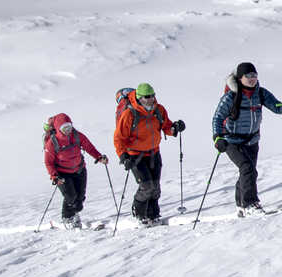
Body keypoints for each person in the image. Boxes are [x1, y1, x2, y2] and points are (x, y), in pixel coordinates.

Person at [211, 61, 282, 215]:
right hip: (231, 141)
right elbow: (217, 118)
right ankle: (250, 204)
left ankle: (240, 204)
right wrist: (217, 138)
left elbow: (276, 107)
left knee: (248, 171)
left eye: (254, 75)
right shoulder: (231, 97)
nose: (252, 79)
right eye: (248, 76)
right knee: (247, 168)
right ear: (240, 78)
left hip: (252, 141)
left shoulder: (260, 93)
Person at [113, 82, 185, 225]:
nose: (151, 98)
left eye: (152, 95)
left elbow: (166, 126)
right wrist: (123, 156)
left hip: (153, 153)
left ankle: (153, 214)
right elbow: (119, 137)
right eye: (147, 96)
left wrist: (175, 128)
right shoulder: (129, 113)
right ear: (140, 98)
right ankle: (139, 214)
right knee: (146, 186)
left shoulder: (159, 110)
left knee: (155, 187)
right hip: (135, 155)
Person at [43, 113, 107, 228]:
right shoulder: (52, 143)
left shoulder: (77, 136)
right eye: (64, 128)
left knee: (80, 198)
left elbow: (89, 147)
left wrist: (99, 157)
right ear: (58, 128)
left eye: (69, 126)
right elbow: (48, 162)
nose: (68, 130)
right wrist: (54, 176)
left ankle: (75, 214)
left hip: (79, 170)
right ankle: (67, 218)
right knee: (71, 196)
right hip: (62, 174)